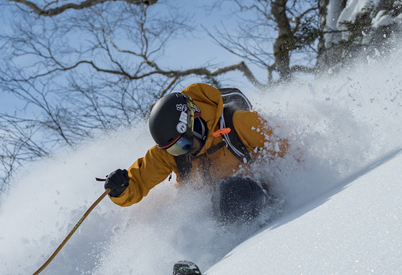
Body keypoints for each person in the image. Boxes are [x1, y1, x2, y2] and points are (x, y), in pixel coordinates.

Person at [101, 82, 287, 224]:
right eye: (173, 148)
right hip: (210, 215)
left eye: (182, 144)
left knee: (230, 192)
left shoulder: (240, 123)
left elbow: (289, 151)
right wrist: (120, 188)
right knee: (166, 215)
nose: (183, 152)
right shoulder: (173, 153)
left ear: (193, 124)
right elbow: (139, 181)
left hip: (261, 202)